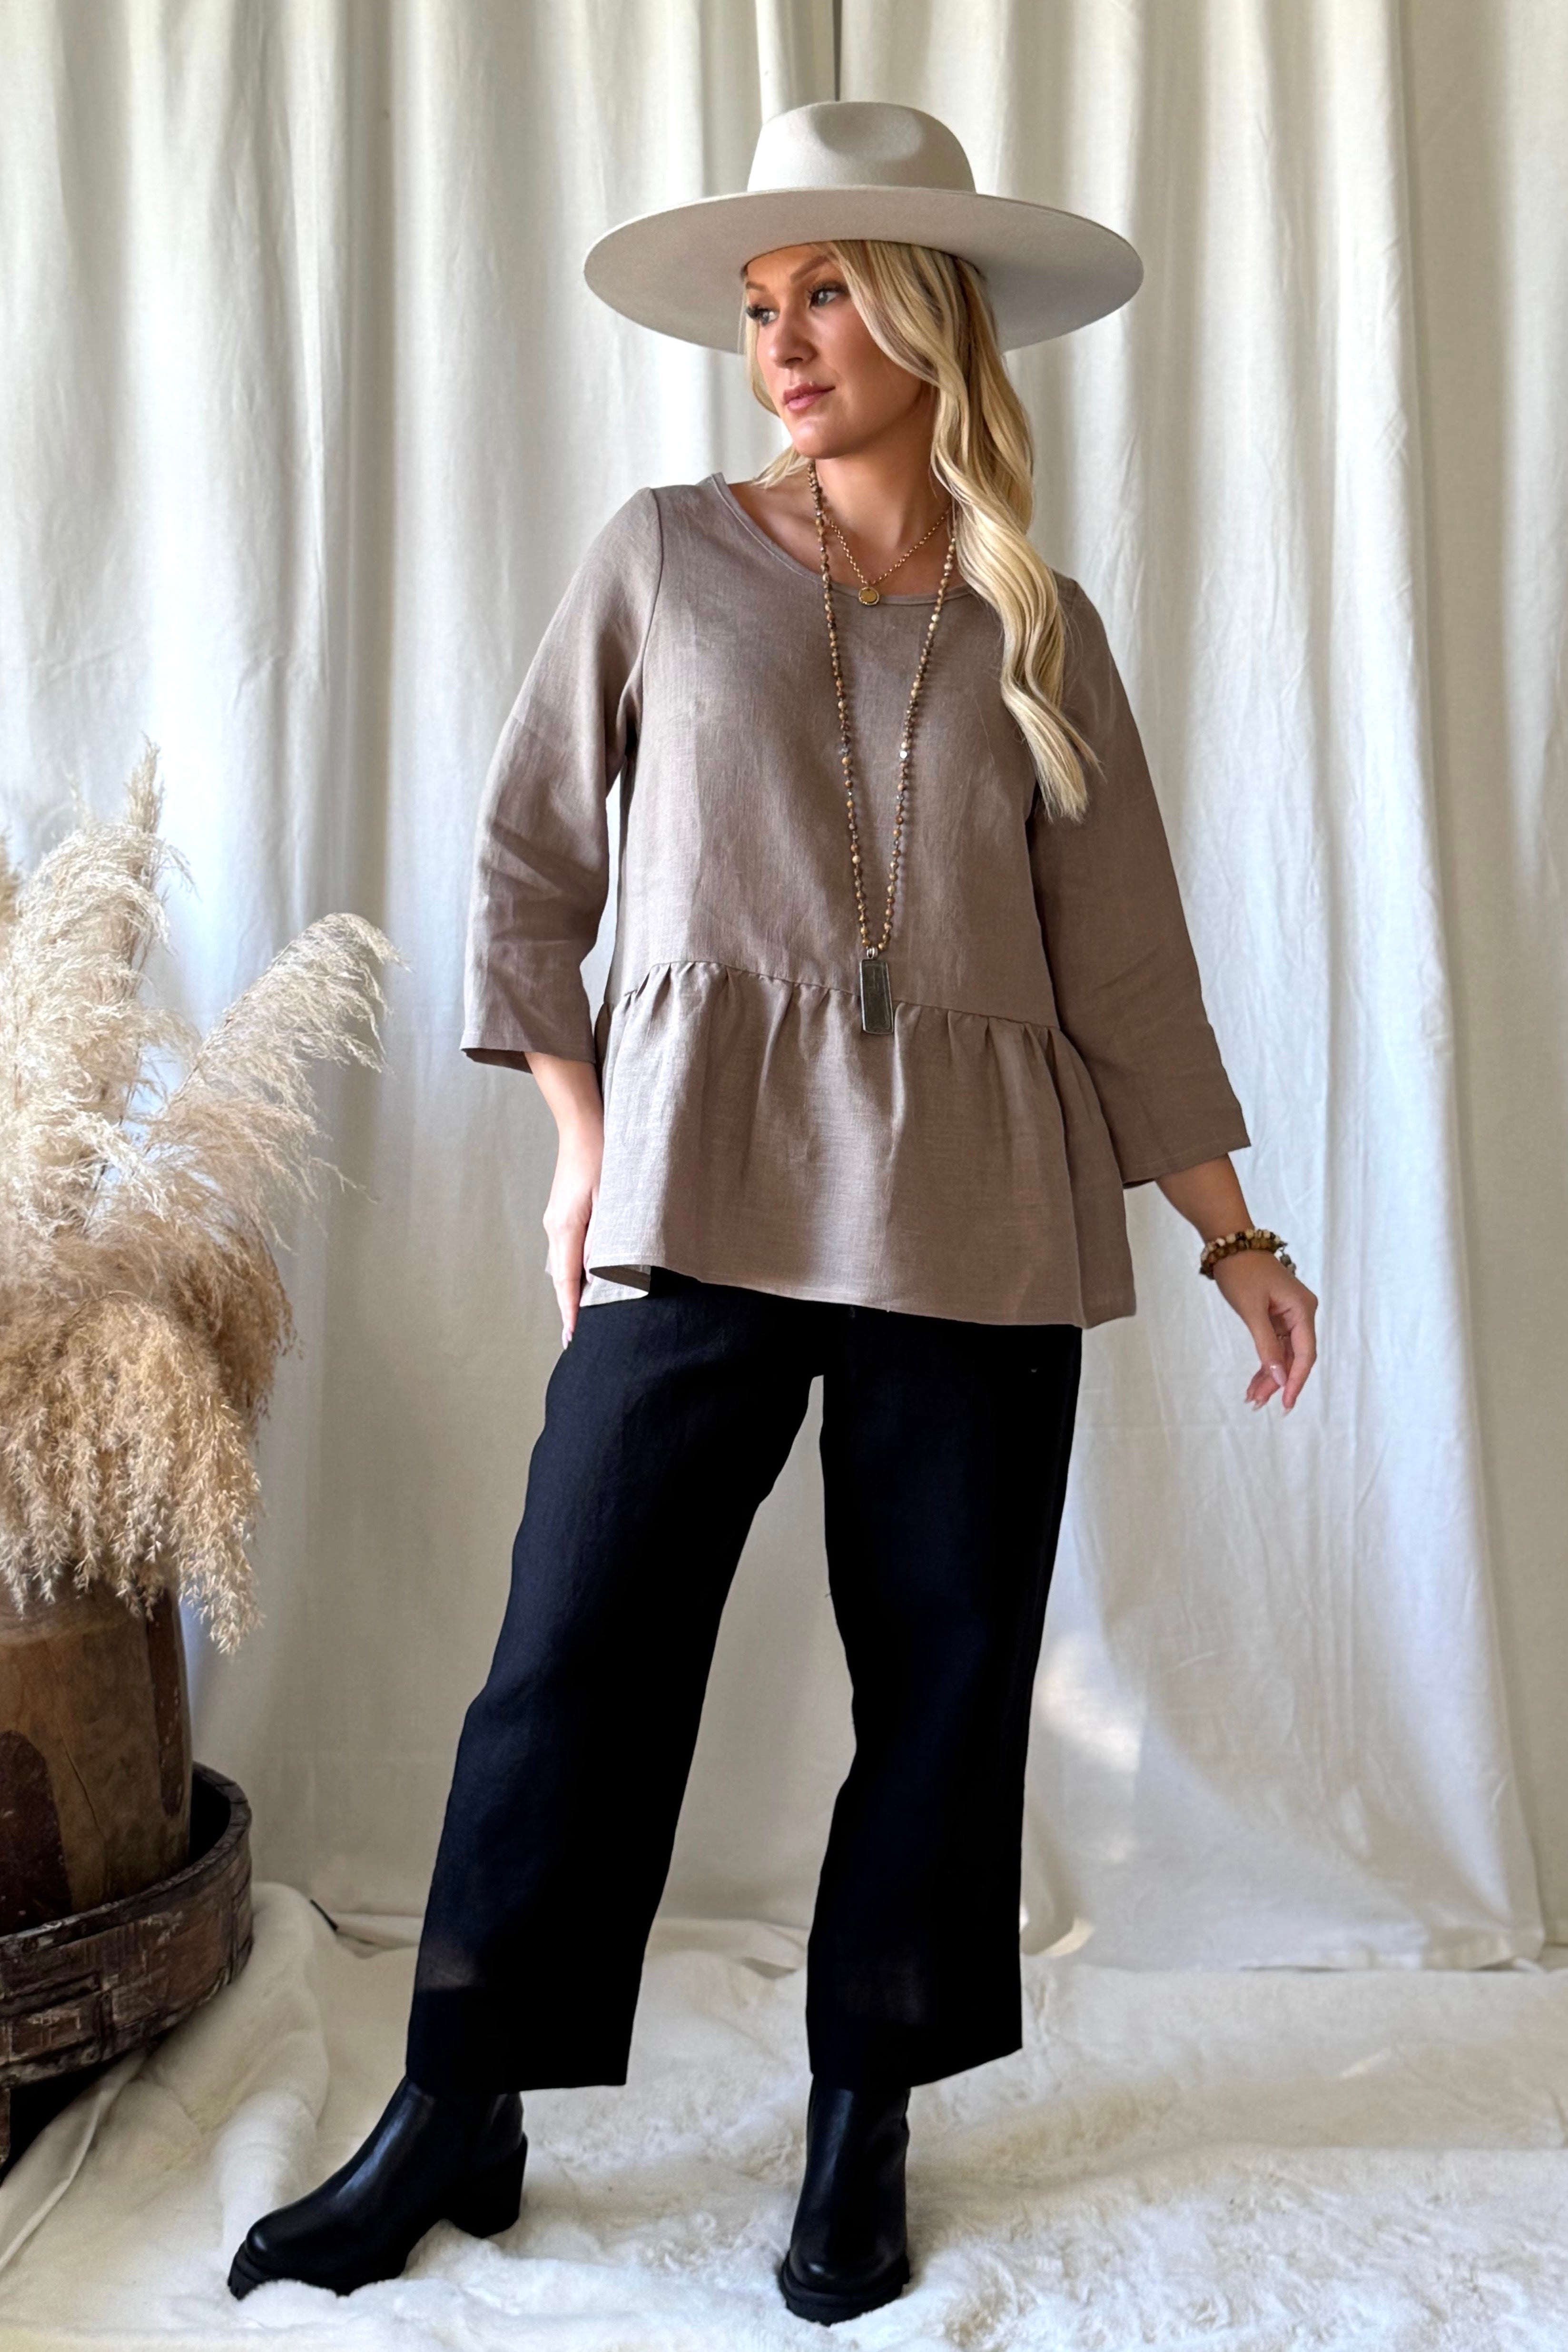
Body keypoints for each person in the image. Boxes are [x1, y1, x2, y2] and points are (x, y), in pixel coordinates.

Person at [228, 99, 1318, 2325]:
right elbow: (530, 862)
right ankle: (456, 2107)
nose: (781, 343)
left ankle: (861, 2117)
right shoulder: (661, 554)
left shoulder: (1036, 627)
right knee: (572, 1659)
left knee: (944, 1683)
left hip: (980, 1217)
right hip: (695, 1187)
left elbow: (1121, 964)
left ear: (929, 316)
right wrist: (580, 1143)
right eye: (756, 305)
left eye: (825, 292)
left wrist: (1233, 1237)